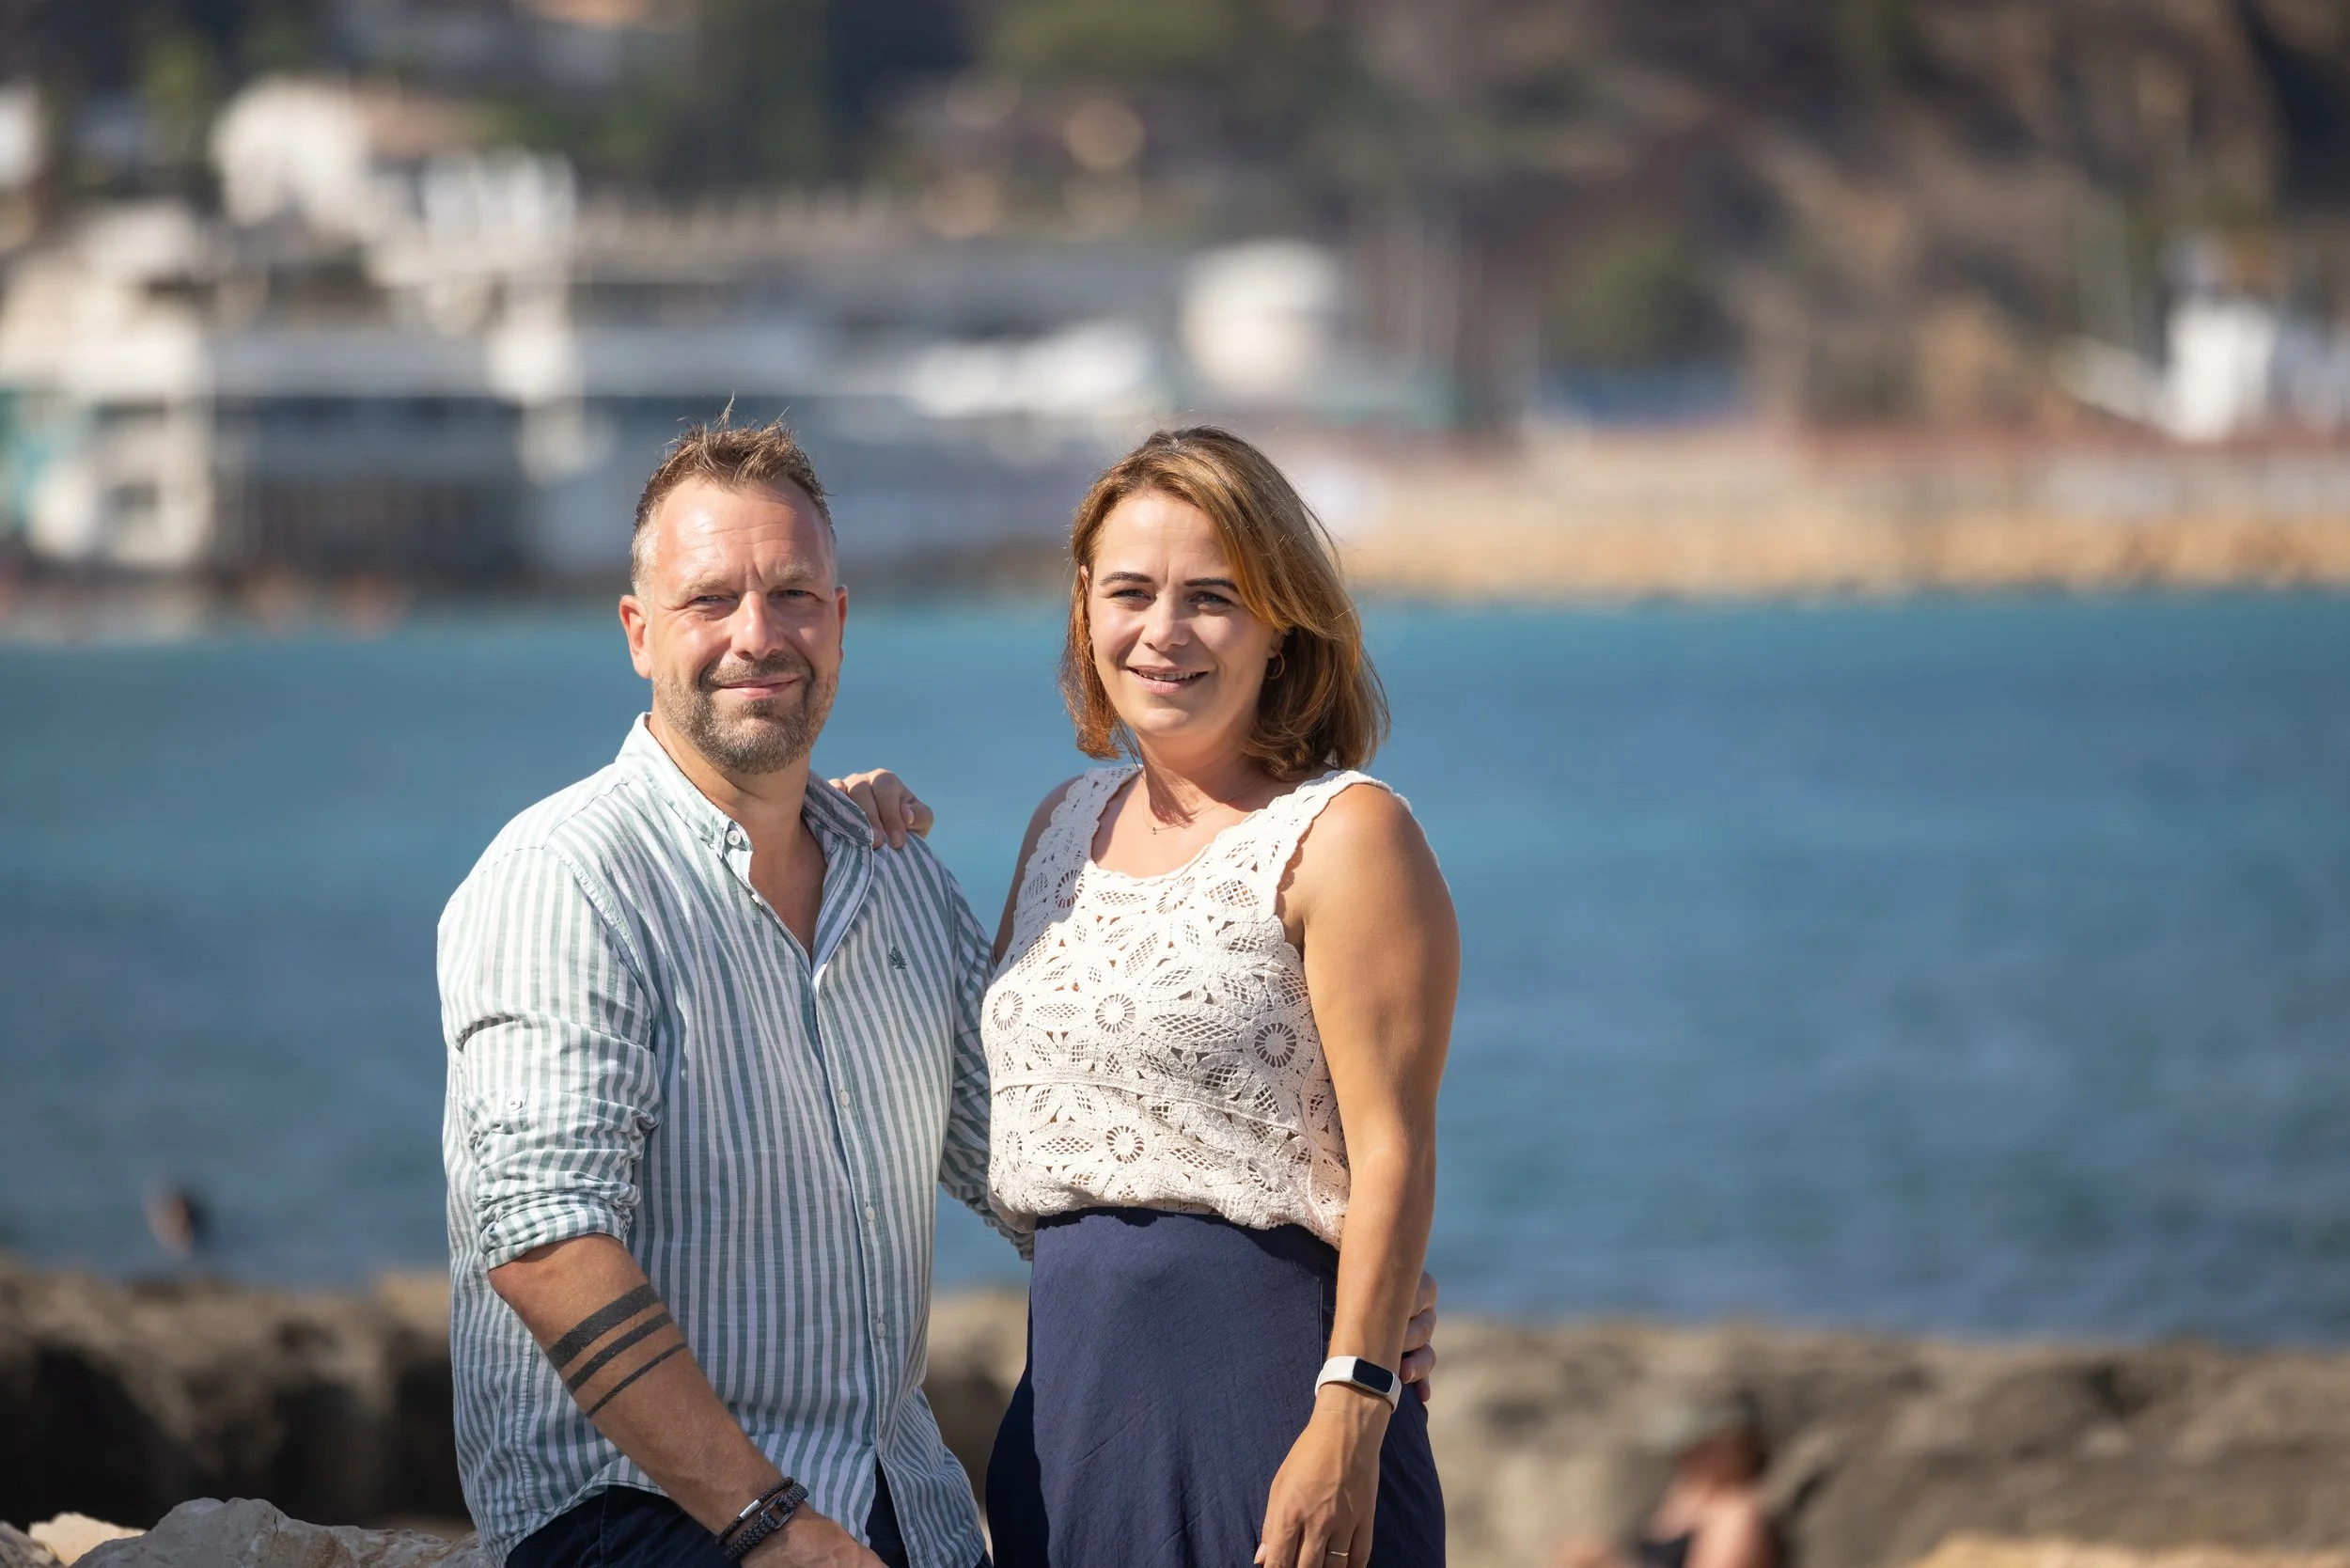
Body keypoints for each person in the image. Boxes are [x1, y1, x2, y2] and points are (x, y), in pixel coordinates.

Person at [438, 417, 1436, 1568]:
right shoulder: (566, 878)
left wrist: (1354, 1294)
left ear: (842, 622)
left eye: (794, 595)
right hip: (647, 1522)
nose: (756, 636)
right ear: (637, 632)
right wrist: (766, 1522)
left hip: (909, 1513)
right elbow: (543, 1240)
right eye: (710, 600)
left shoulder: (892, 878)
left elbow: (1052, 1138)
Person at [859, 427, 1456, 1568]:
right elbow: (1004, 1100)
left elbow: (1395, 1154)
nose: (1164, 632)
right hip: (1069, 1416)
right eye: (1130, 591)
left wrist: (1353, 1403)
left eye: (1213, 597)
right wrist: (842, 831)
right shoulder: (1060, 823)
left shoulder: (1348, 835)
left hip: (1273, 1410)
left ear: (1280, 618)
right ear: (1085, 605)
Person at [1552, 1390, 1777, 1568]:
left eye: (1701, 1449)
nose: (1685, 1459)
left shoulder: (1738, 1513)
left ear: (1739, 1446)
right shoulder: (1686, 1496)